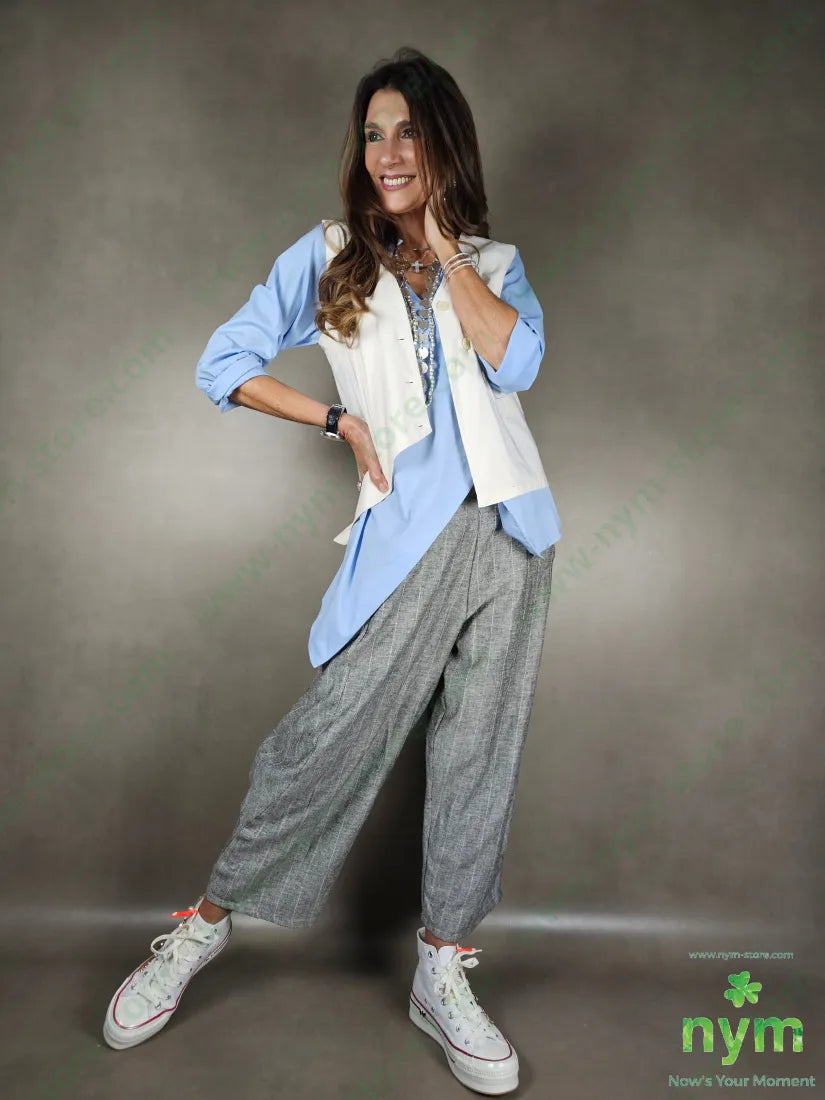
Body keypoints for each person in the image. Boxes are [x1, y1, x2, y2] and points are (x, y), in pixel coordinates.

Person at [102, 46, 562, 1096]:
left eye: (409, 133)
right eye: (373, 134)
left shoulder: (494, 265)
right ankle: (202, 925)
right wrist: (334, 419)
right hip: (407, 539)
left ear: (445, 148)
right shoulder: (327, 255)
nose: (388, 153)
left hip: (513, 535)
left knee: (479, 756)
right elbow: (222, 364)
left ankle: (441, 967)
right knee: (322, 743)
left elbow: (519, 362)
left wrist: (443, 247)